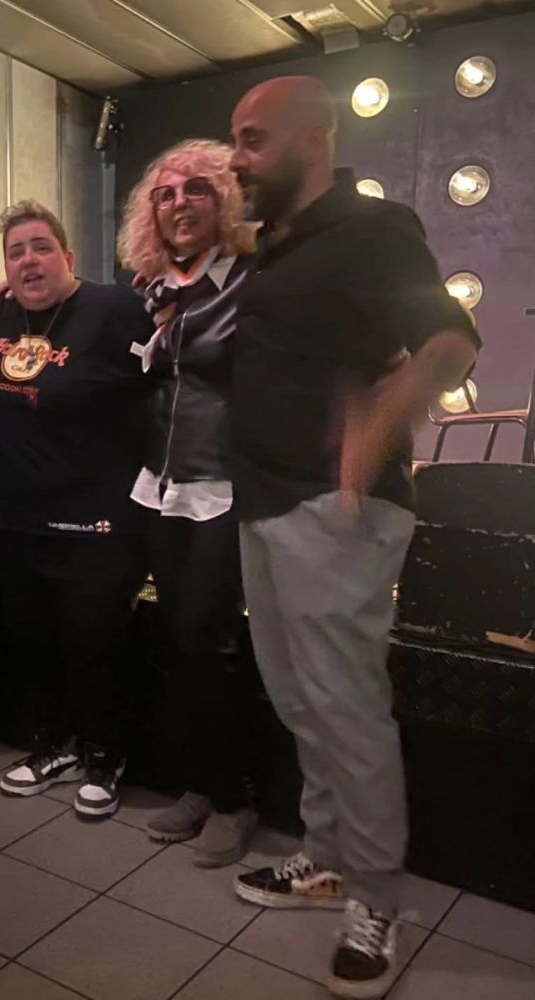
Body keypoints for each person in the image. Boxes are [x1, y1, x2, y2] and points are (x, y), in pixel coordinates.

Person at [225, 77, 480, 998]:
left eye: (254, 139)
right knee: (303, 701)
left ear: (314, 139)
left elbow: (451, 341)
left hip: (335, 510)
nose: (238, 158)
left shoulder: (374, 230)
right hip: (267, 503)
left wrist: (377, 428)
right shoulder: (279, 246)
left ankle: (375, 898)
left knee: (347, 710)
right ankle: (328, 857)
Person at [0, 200, 153, 817]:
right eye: (16, 252)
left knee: (95, 642)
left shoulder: (114, 308)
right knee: (36, 641)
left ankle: (106, 755)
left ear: (68, 256)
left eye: (41, 247)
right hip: (16, 518)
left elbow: (165, 383)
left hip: (96, 519)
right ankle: (55, 747)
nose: (28, 260)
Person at [117, 139, 259, 864]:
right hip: (158, 489)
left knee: (211, 639)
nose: (179, 204)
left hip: (222, 486)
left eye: (196, 189)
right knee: (180, 640)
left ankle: (235, 800)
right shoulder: (145, 287)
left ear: (224, 199)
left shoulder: (250, 279)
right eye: (166, 194)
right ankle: (202, 784)